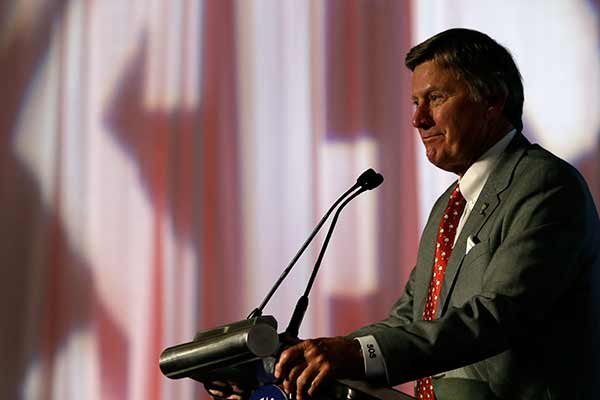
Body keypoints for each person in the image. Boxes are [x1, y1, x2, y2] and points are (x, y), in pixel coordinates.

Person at [209, 28, 600, 400]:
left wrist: (352, 354)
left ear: (492, 99)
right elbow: (407, 323)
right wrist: (301, 360)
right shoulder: (449, 205)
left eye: (437, 98)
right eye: (416, 102)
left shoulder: (545, 184)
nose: (418, 119)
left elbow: (497, 316)